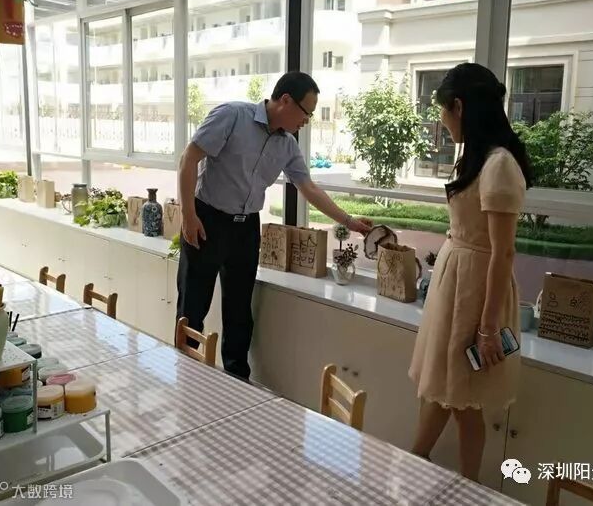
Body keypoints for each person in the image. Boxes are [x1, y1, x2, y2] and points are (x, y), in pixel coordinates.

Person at [177, 71, 372, 379]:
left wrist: (349, 222)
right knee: (193, 305)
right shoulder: (232, 116)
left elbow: (309, 189)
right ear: (286, 100)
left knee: (239, 311)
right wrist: (188, 215)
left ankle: (236, 380)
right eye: (307, 112)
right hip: (206, 220)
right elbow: (189, 158)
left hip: (246, 229)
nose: (307, 121)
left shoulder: (288, 146)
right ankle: (186, 378)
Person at [408, 63, 532, 481]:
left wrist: (488, 327)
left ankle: (463, 483)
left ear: (459, 107)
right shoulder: (479, 159)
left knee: (462, 397)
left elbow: (503, 252)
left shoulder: (499, 164)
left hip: (476, 293)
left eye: (443, 111)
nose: (442, 122)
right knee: (448, 390)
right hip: (459, 284)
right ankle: (420, 459)